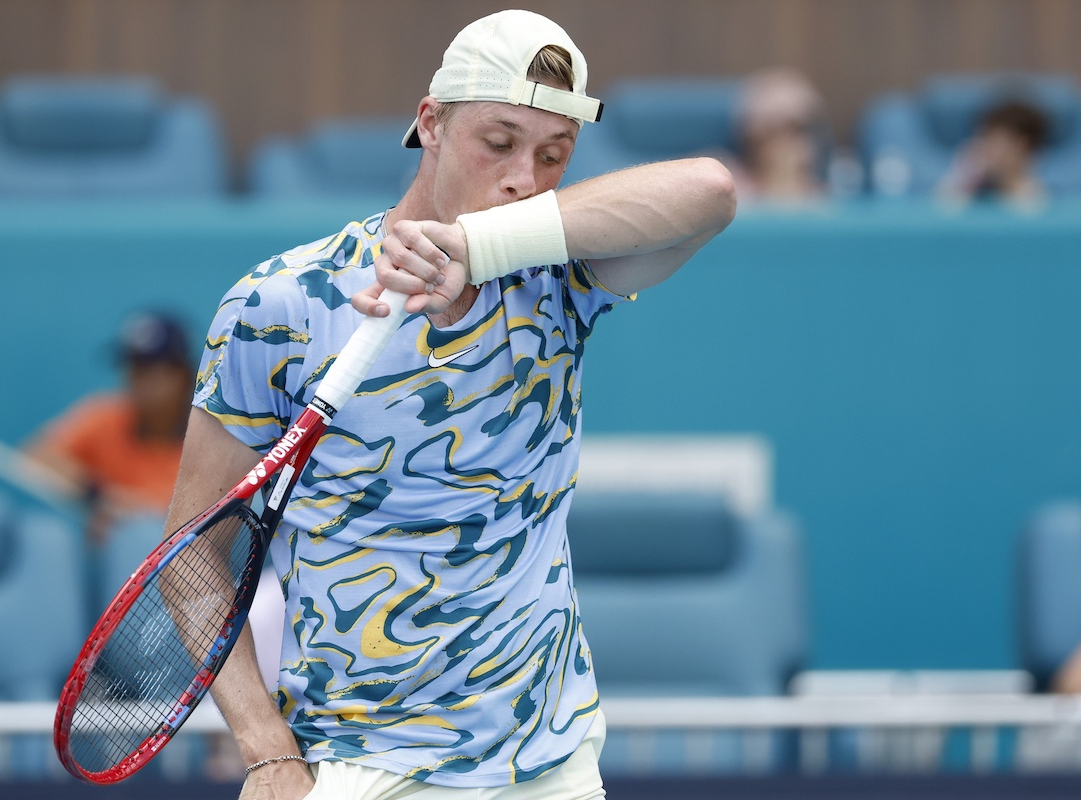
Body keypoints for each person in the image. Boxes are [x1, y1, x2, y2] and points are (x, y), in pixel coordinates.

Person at [169, 9, 736, 798]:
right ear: (429, 123)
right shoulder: (281, 304)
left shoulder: (558, 278)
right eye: (498, 143)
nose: (524, 179)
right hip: (354, 762)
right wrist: (267, 751)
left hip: (547, 764)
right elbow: (190, 556)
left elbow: (709, 191)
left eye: (553, 155)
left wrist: (479, 245)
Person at [25, 310, 193, 543]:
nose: (136, 381)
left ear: (182, 375)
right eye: (131, 368)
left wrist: (133, 510)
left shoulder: (206, 435)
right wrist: (97, 495)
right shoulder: (106, 415)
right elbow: (36, 457)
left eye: (148, 370)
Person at [729, 66, 830, 204]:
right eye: (774, 130)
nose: (790, 142)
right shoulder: (728, 187)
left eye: (799, 129)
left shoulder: (826, 196)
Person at [937, 98, 1050, 208]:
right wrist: (972, 178)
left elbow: (1032, 212)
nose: (991, 151)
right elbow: (943, 205)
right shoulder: (971, 165)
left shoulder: (1037, 180)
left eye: (1001, 145)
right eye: (987, 141)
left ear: (1023, 146)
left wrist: (1008, 181)